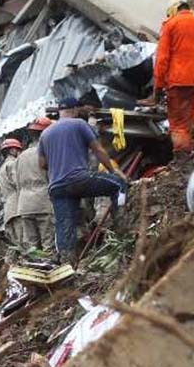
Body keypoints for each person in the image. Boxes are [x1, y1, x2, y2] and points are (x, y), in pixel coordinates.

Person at [38, 97, 128, 266]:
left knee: (65, 226)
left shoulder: (45, 133)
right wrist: (113, 170)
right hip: (78, 179)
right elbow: (98, 150)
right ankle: (123, 229)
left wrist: (59, 166)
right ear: (74, 110)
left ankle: (67, 264)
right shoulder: (79, 123)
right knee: (118, 185)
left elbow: (42, 165)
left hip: (57, 187)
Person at [144, 0, 194, 153]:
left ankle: (183, 160)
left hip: (178, 83)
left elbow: (162, 59)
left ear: (173, 10)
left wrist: (158, 89)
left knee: (179, 125)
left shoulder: (170, 25)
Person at [14, 118, 56, 258]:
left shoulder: (20, 157)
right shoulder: (47, 152)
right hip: (43, 201)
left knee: (32, 248)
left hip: (24, 204)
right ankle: (50, 274)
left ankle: (35, 273)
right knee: (48, 244)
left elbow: (17, 183)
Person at [0, 138, 23, 262]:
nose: (19, 152)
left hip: (8, 209)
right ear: (12, 150)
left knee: (16, 244)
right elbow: (18, 183)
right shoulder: (12, 164)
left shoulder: (1, 168)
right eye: (18, 150)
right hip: (17, 207)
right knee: (24, 242)